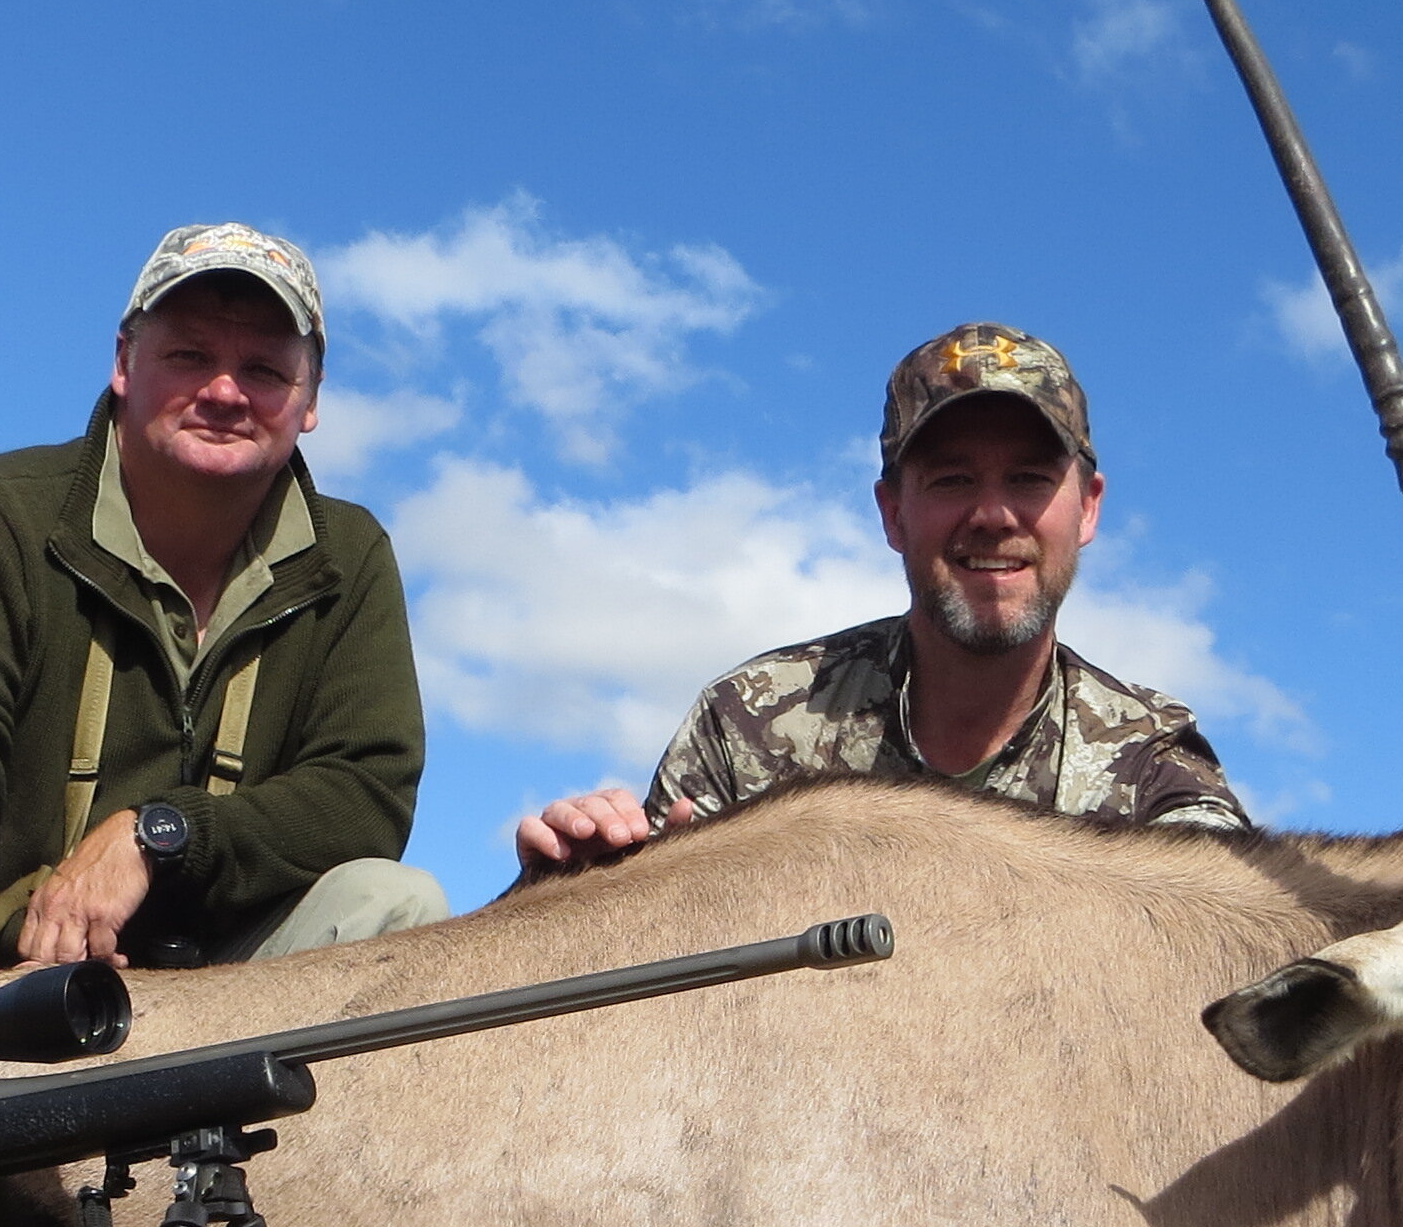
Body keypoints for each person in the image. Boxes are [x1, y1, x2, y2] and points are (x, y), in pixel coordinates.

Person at [0, 223, 443, 1015]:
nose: (226, 392)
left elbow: (365, 796)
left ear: (309, 402)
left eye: (266, 369)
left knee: (394, 899)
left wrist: (161, 834)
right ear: (124, 362)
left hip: (192, 990)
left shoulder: (353, 554)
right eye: (189, 356)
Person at [514, 322, 1247, 873]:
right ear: (893, 513)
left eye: (1028, 478)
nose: (993, 515)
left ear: (1087, 510)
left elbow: (1235, 942)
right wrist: (571, 892)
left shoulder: (1153, 760)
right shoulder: (748, 720)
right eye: (952, 480)